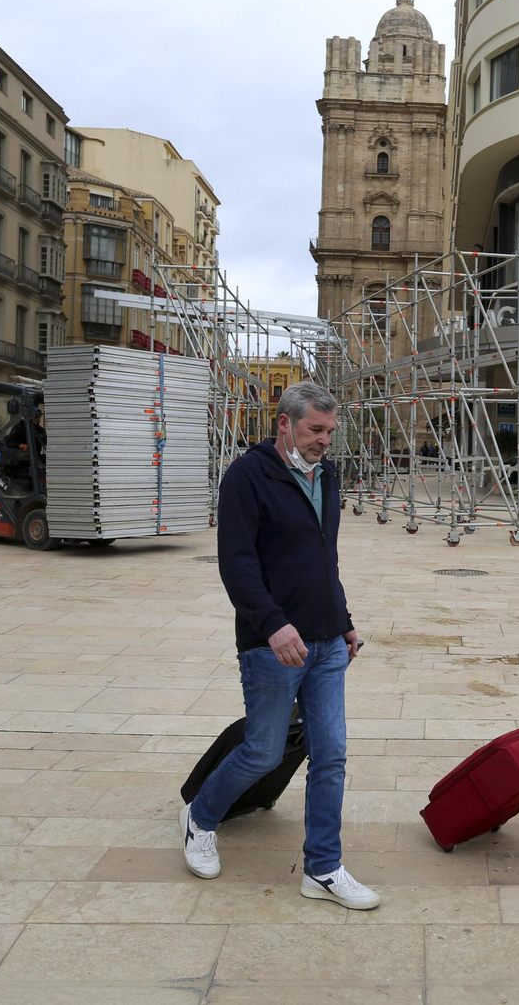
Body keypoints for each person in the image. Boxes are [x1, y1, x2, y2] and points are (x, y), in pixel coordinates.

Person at [181, 381, 377, 910]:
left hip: (327, 644)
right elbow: (236, 563)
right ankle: (200, 817)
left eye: (330, 431)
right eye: (315, 429)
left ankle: (323, 868)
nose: (324, 441)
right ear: (285, 423)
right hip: (272, 645)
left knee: (331, 754)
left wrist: (343, 621)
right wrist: (272, 624)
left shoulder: (327, 475)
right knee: (264, 752)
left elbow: (324, 560)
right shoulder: (248, 475)